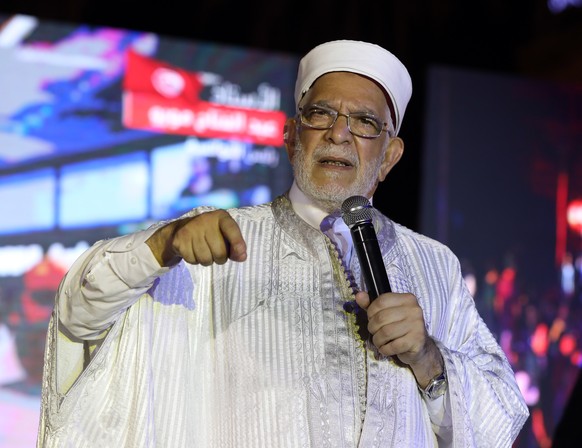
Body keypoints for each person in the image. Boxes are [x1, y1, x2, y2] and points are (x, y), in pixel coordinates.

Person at [36, 40, 529, 447]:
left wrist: (426, 357)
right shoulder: (212, 237)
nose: (339, 134)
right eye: (322, 114)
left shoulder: (433, 263)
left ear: (390, 156)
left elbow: (499, 420)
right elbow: (80, 312)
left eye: (365, 123)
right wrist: (162, 243)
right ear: (293, 136)